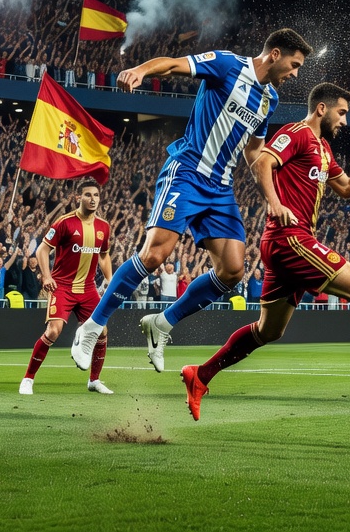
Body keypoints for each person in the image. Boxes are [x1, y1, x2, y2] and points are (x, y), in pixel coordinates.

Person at [180, 84, 350, 420]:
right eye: (342, 112)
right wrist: (275, 203)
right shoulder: (296, 133)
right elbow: (262, 163)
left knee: (269, 330)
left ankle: (201, 375)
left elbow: (346, 186)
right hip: (289, 238)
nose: (345, 121)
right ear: (321, 108)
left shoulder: (323, 148)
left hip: (287, 244)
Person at [71, 28, 311, 374]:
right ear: (275, 54)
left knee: (232, 270)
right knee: (155, 254)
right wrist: (141, 70)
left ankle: (162, 323)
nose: (295, 73)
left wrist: (272, 194)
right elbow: (172, 65)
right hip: (187, 172)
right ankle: (90, 329)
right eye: (294, 64)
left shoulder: (268, 100)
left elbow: (255, 151)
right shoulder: (228, 65)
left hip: (221, 188)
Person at [20, 178, 114, 395]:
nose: (93, 199)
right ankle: (28, 379)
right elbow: (42, 250)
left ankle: (94, 380)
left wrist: (110, 280)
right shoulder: (64, 222)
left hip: (88, 288)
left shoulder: (103, 227)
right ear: (78, 197)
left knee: (102, 332)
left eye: (96, 195)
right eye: (88, 195)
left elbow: (104, 255)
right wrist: (46, 276)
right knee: (53, 331)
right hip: (62, 286)